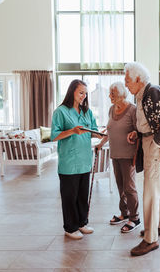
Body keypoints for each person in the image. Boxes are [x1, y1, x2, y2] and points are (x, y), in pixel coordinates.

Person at [125, 62, 160, 256]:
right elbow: (149, 122)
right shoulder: (144, 95)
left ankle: (150, 239)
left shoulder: (152, 93)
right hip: (149, 141)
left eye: (127, 80)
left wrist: (154, 143)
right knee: (156, 188)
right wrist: (138, 133)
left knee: (150, 191)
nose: (126, 84)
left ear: (138, 79)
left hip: (154, 146)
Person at [51, 79, 103, 240]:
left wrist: (102, 132)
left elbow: (93, 131)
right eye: (81, 92)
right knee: (69, 197)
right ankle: (70, 227)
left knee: (82, 195)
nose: (84, 96)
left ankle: (82, 223)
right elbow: (54, 136)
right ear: (72, 91)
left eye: (85, 93)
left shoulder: (87, 112)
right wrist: (72, 131)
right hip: (69, 163)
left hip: (84, 161)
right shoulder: (60, 112)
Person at [96, 81, 140, 233]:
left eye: (112, 94)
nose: (110, 96)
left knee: (129, 187)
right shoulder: (111, 109)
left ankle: (135, 218)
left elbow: (138, 132)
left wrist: (134, 137)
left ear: (121, 95)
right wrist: (101, 144)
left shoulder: (132, 110)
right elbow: (110, 130)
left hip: (128, 156)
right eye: (110, 94)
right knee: (120, 186)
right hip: (115, 154)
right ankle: (124, 213)